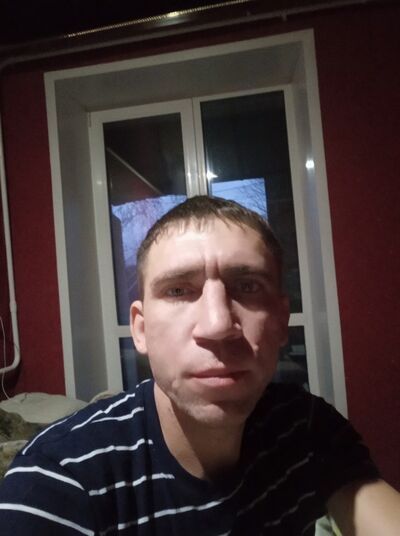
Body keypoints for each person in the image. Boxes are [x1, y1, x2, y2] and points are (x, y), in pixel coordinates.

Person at [0, 195, 399, 535]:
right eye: (178, 290)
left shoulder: (305, 427)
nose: (218, 325)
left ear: (281, 322)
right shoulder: (56, 482)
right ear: (140, 329)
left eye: (247, 286)